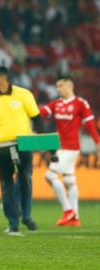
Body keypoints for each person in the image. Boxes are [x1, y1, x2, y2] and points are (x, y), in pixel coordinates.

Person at [40, 76, 100, 226]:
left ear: (69, 86)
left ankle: (68, 211)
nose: (58, 89)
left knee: (50, 176)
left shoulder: (80, 103)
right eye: (57, 86)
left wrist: (98, 143)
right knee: (69, 181)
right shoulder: (56, 104)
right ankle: (75, 217)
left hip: (71, 148)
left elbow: (90, 125)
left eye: (60, 86)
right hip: (60, 147)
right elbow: (42, 113)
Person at [0, 66, 44, 235]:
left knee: (25, 179)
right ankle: (13, 222)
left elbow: (37, 117)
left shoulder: (23, 94)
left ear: (4, 79)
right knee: (6, 184)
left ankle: (26, 216)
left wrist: (40, 140)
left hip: (24, 144)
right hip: (1, 146)